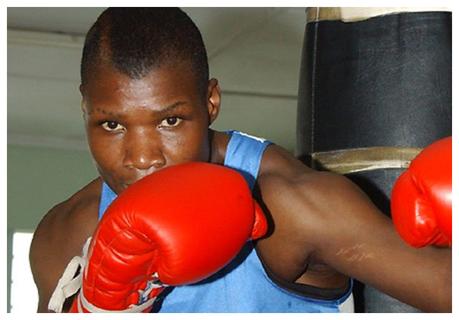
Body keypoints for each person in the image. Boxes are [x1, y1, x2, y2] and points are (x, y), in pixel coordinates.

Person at [29, 8, 451, 313]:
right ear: (85, 108)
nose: (142, 158)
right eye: (112, 126)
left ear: (211, 101)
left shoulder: (291, 206)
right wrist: (95, 309)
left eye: (171, 120)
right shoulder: (65, 236)